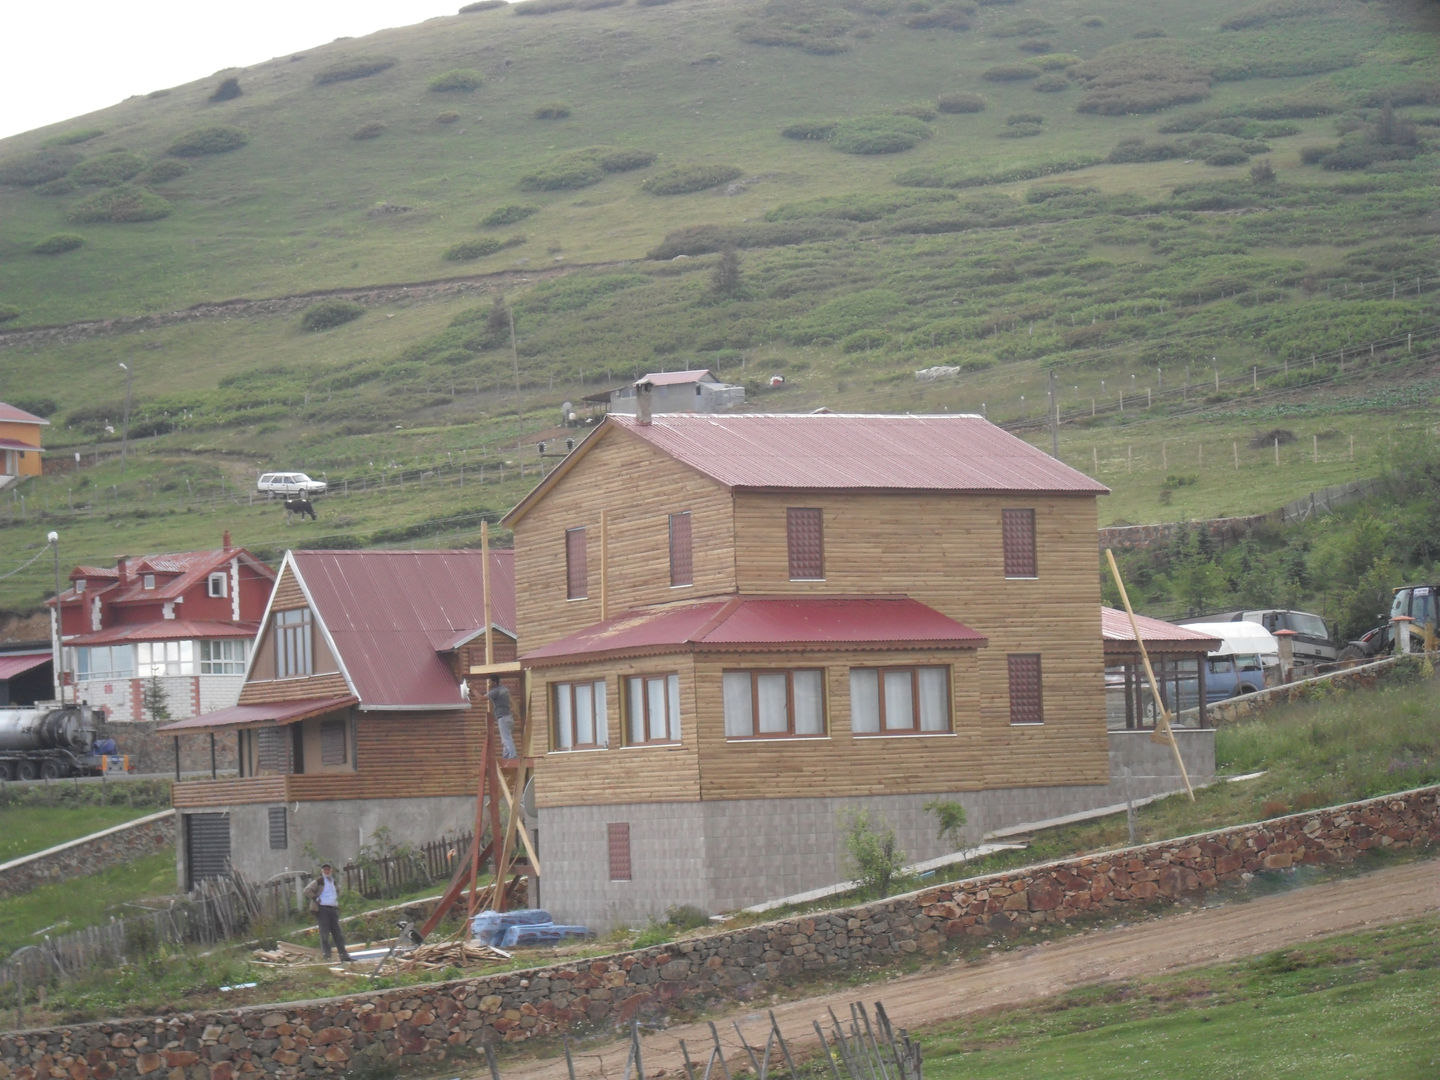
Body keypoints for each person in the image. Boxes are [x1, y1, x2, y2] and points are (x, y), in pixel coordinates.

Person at [303, 863, 352, 962]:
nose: (327, 871)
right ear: (322, 871)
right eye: (325, 870)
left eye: (328, 870)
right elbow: (307, 890)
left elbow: (337, 892)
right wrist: (316, 898)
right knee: (324, 933)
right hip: (322, 909)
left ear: (331, 871)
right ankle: (327, 956)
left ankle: (343, 955)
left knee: (337, 933)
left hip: (333, 909)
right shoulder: (319, 881)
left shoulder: (333, 882)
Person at [487, 674, 517, 759]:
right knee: (506, 737)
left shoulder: (495, 691)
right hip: (509, 717)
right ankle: (506, 755)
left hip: (502, 718)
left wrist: (473, 689)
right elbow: (511, 700)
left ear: (494, 682)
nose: (488, 684)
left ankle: (512, 755)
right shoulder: (504, 689)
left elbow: (481, 698)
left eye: (490, 682)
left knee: (506, 738)